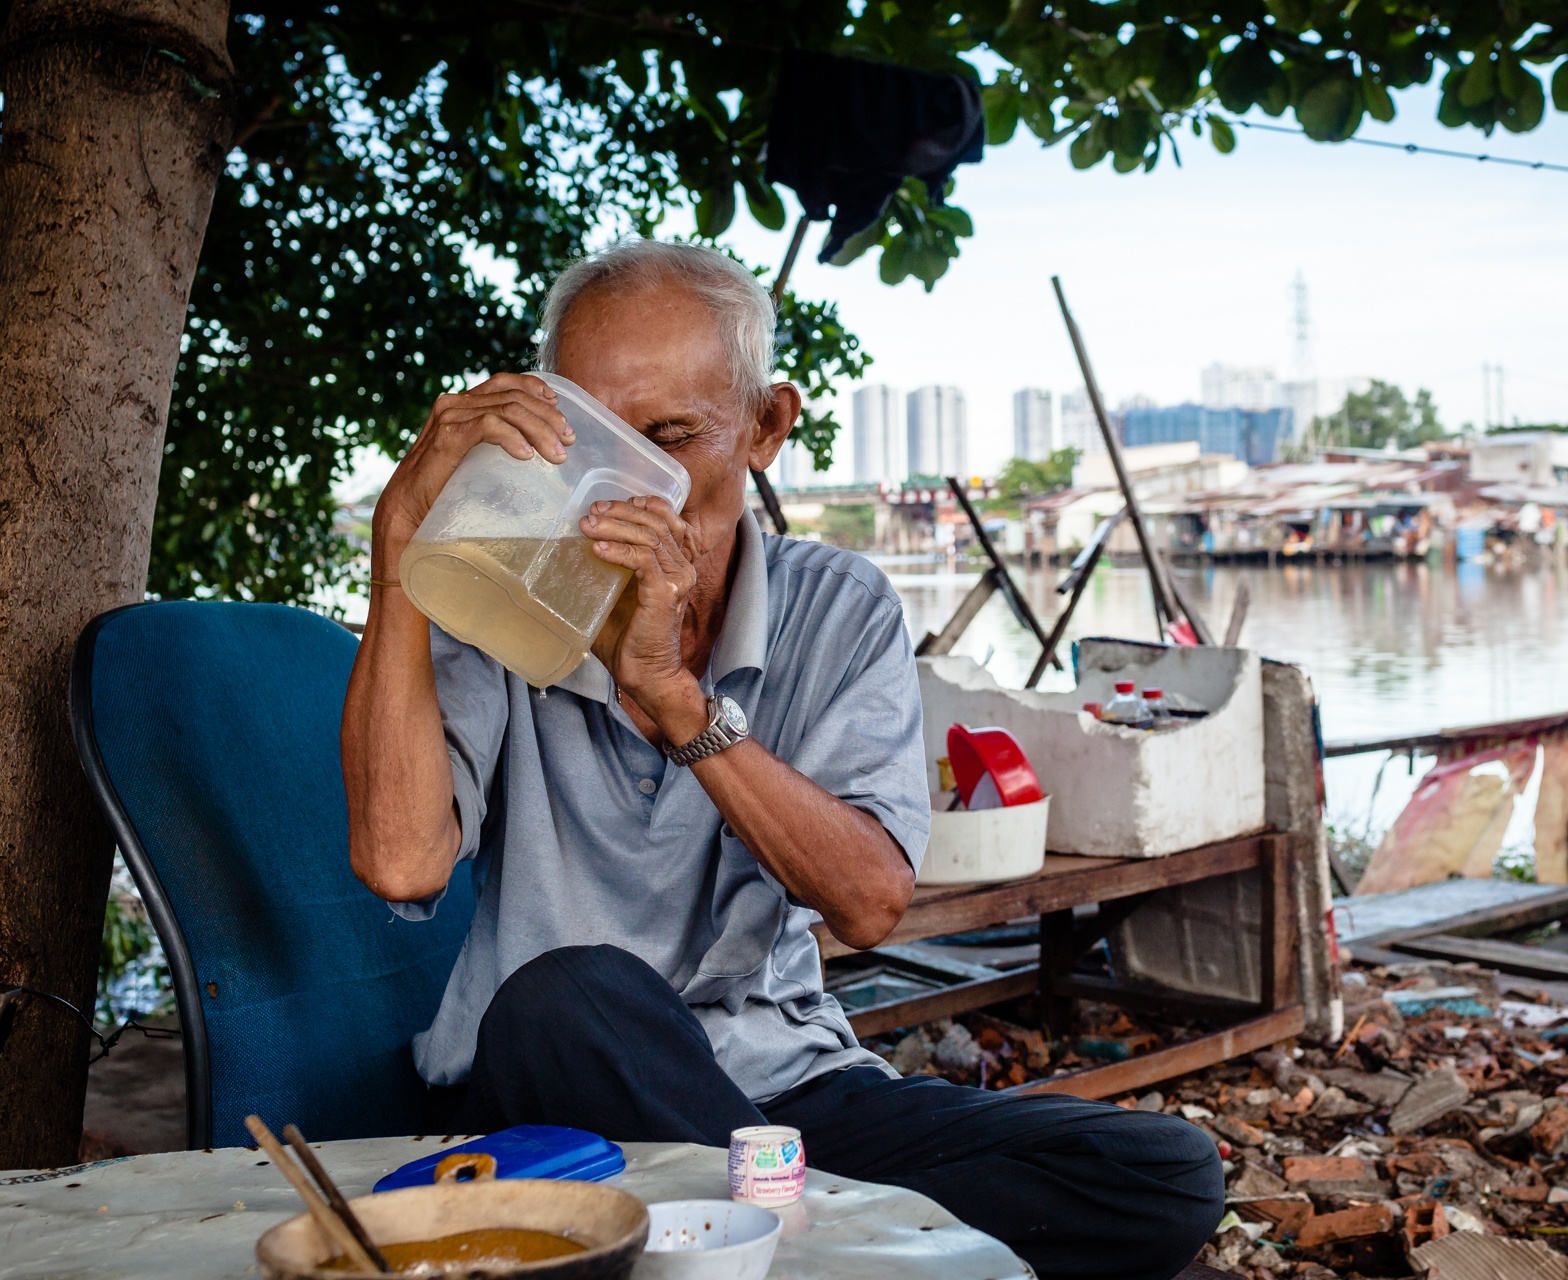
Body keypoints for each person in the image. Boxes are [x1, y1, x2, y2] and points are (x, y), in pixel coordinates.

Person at [341, 240, 1222, 1280]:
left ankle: (781, 1239)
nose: (631, 483)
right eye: (593, 438)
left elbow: (869, 899)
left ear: (766, 426)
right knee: (565, 995)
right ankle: (832, 1246)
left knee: (1164, 1169)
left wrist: (676, 699)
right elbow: (402, 861)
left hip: (780, 1097)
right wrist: (399, 563)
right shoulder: (499, 595)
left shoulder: (839, 606)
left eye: (669, 436)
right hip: (552, 1102)